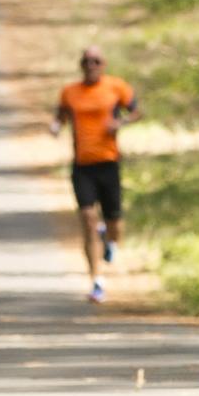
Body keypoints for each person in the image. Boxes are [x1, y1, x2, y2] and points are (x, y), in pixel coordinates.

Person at [51, 46, 141, 303]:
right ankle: (96, 282)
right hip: (82, 166)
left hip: (109, 163)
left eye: (96, 61)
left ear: (104, 64)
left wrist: (120, 123)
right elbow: (60, 116)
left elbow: (136, 111)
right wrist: (55, 126)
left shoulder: (116, 88)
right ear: (81, 65)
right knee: (88, 220)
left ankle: (110, 241)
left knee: (115, 223)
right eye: (86, 61)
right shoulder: (70, 92)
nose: (91, 65)